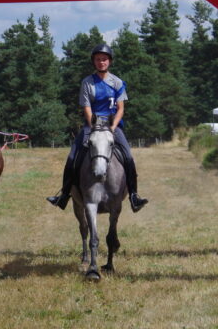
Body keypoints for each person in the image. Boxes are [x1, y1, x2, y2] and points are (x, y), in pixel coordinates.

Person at [47, 44, 148, 212]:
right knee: (72, 158)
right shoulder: (87, 83)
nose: (101, 62)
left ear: (110, 61)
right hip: (91, 125)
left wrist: (114, 126)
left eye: (104, 59)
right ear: (94, 62)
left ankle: (133, 196)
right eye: (98, 59)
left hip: (112, 126)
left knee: (129, 158)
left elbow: (121, 108)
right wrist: (93, 126)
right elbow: (86, 107)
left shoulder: (117, 82)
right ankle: (64, 195)